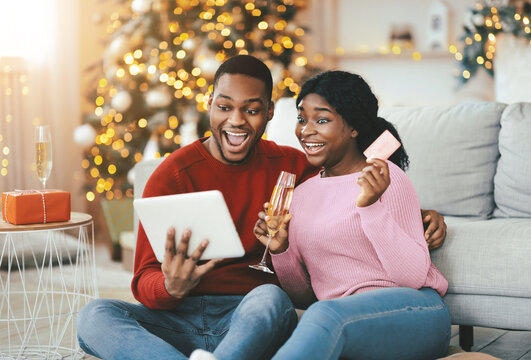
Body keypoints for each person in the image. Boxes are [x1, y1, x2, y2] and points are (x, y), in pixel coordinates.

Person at [76, 56, 447, 360]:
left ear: (269, 113)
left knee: (271, 296)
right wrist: (170, 286)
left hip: (251, 314)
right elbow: (143, 280)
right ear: (210, 105)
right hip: (179, 317)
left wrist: (415, 213)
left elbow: (352, 182)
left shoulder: (294, 167)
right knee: (95, 316)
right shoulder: (172, 175)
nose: (236, 121)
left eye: (251, 110)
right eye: (225, 107)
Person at [254, 71, 451, 360]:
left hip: (415, 313)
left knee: (325, 315)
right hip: (342, 321)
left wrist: (371, 208)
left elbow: (412, 277)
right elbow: (303, 297)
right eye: (301, 118)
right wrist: (280, 250)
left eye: (321, 120)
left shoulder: (386, 177)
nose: (306, 131)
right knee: (323, 313)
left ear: (354, 127)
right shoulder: (302, 195)